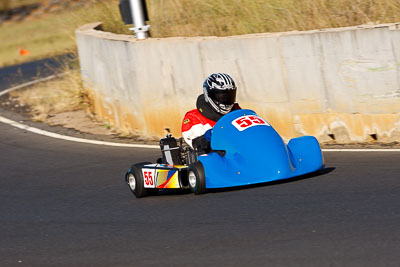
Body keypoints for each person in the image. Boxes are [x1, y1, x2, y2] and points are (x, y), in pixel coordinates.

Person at [181, 73, 241, 151]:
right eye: (222, 97)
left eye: (229, 96)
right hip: (217, 159)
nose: (226, 100)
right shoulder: (193, 118)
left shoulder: (237, 111)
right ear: (209, 95)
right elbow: (196, 144)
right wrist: (210, 135)